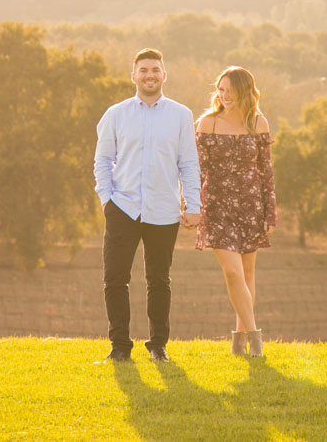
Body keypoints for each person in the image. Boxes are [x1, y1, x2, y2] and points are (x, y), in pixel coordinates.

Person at [94, 48, 202, 362]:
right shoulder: (116, 114)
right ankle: (120, 348)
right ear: (134, 76)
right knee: (115, 279)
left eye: (155, 70)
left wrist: (192, 204)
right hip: (122, 208)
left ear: (164, 75)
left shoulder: (181, 115)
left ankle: (158, 347)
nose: (150, 75)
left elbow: (189, 164)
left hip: (163, 210)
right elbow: (102, 160)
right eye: (144, 70)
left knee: (159, 279)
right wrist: (107, 199)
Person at [194, 66, 277, 357]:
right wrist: (191, 204)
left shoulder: (259, 122)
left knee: (248, 272)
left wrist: (270, 213)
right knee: (232, 272)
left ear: (245, 91)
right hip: (216, 206)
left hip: (250, 205)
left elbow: (266, 172)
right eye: (221, 89)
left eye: (230, 89)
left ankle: (238, 341)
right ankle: (255, 338)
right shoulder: (207, 123)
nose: (224, 95)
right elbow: (196, 170)